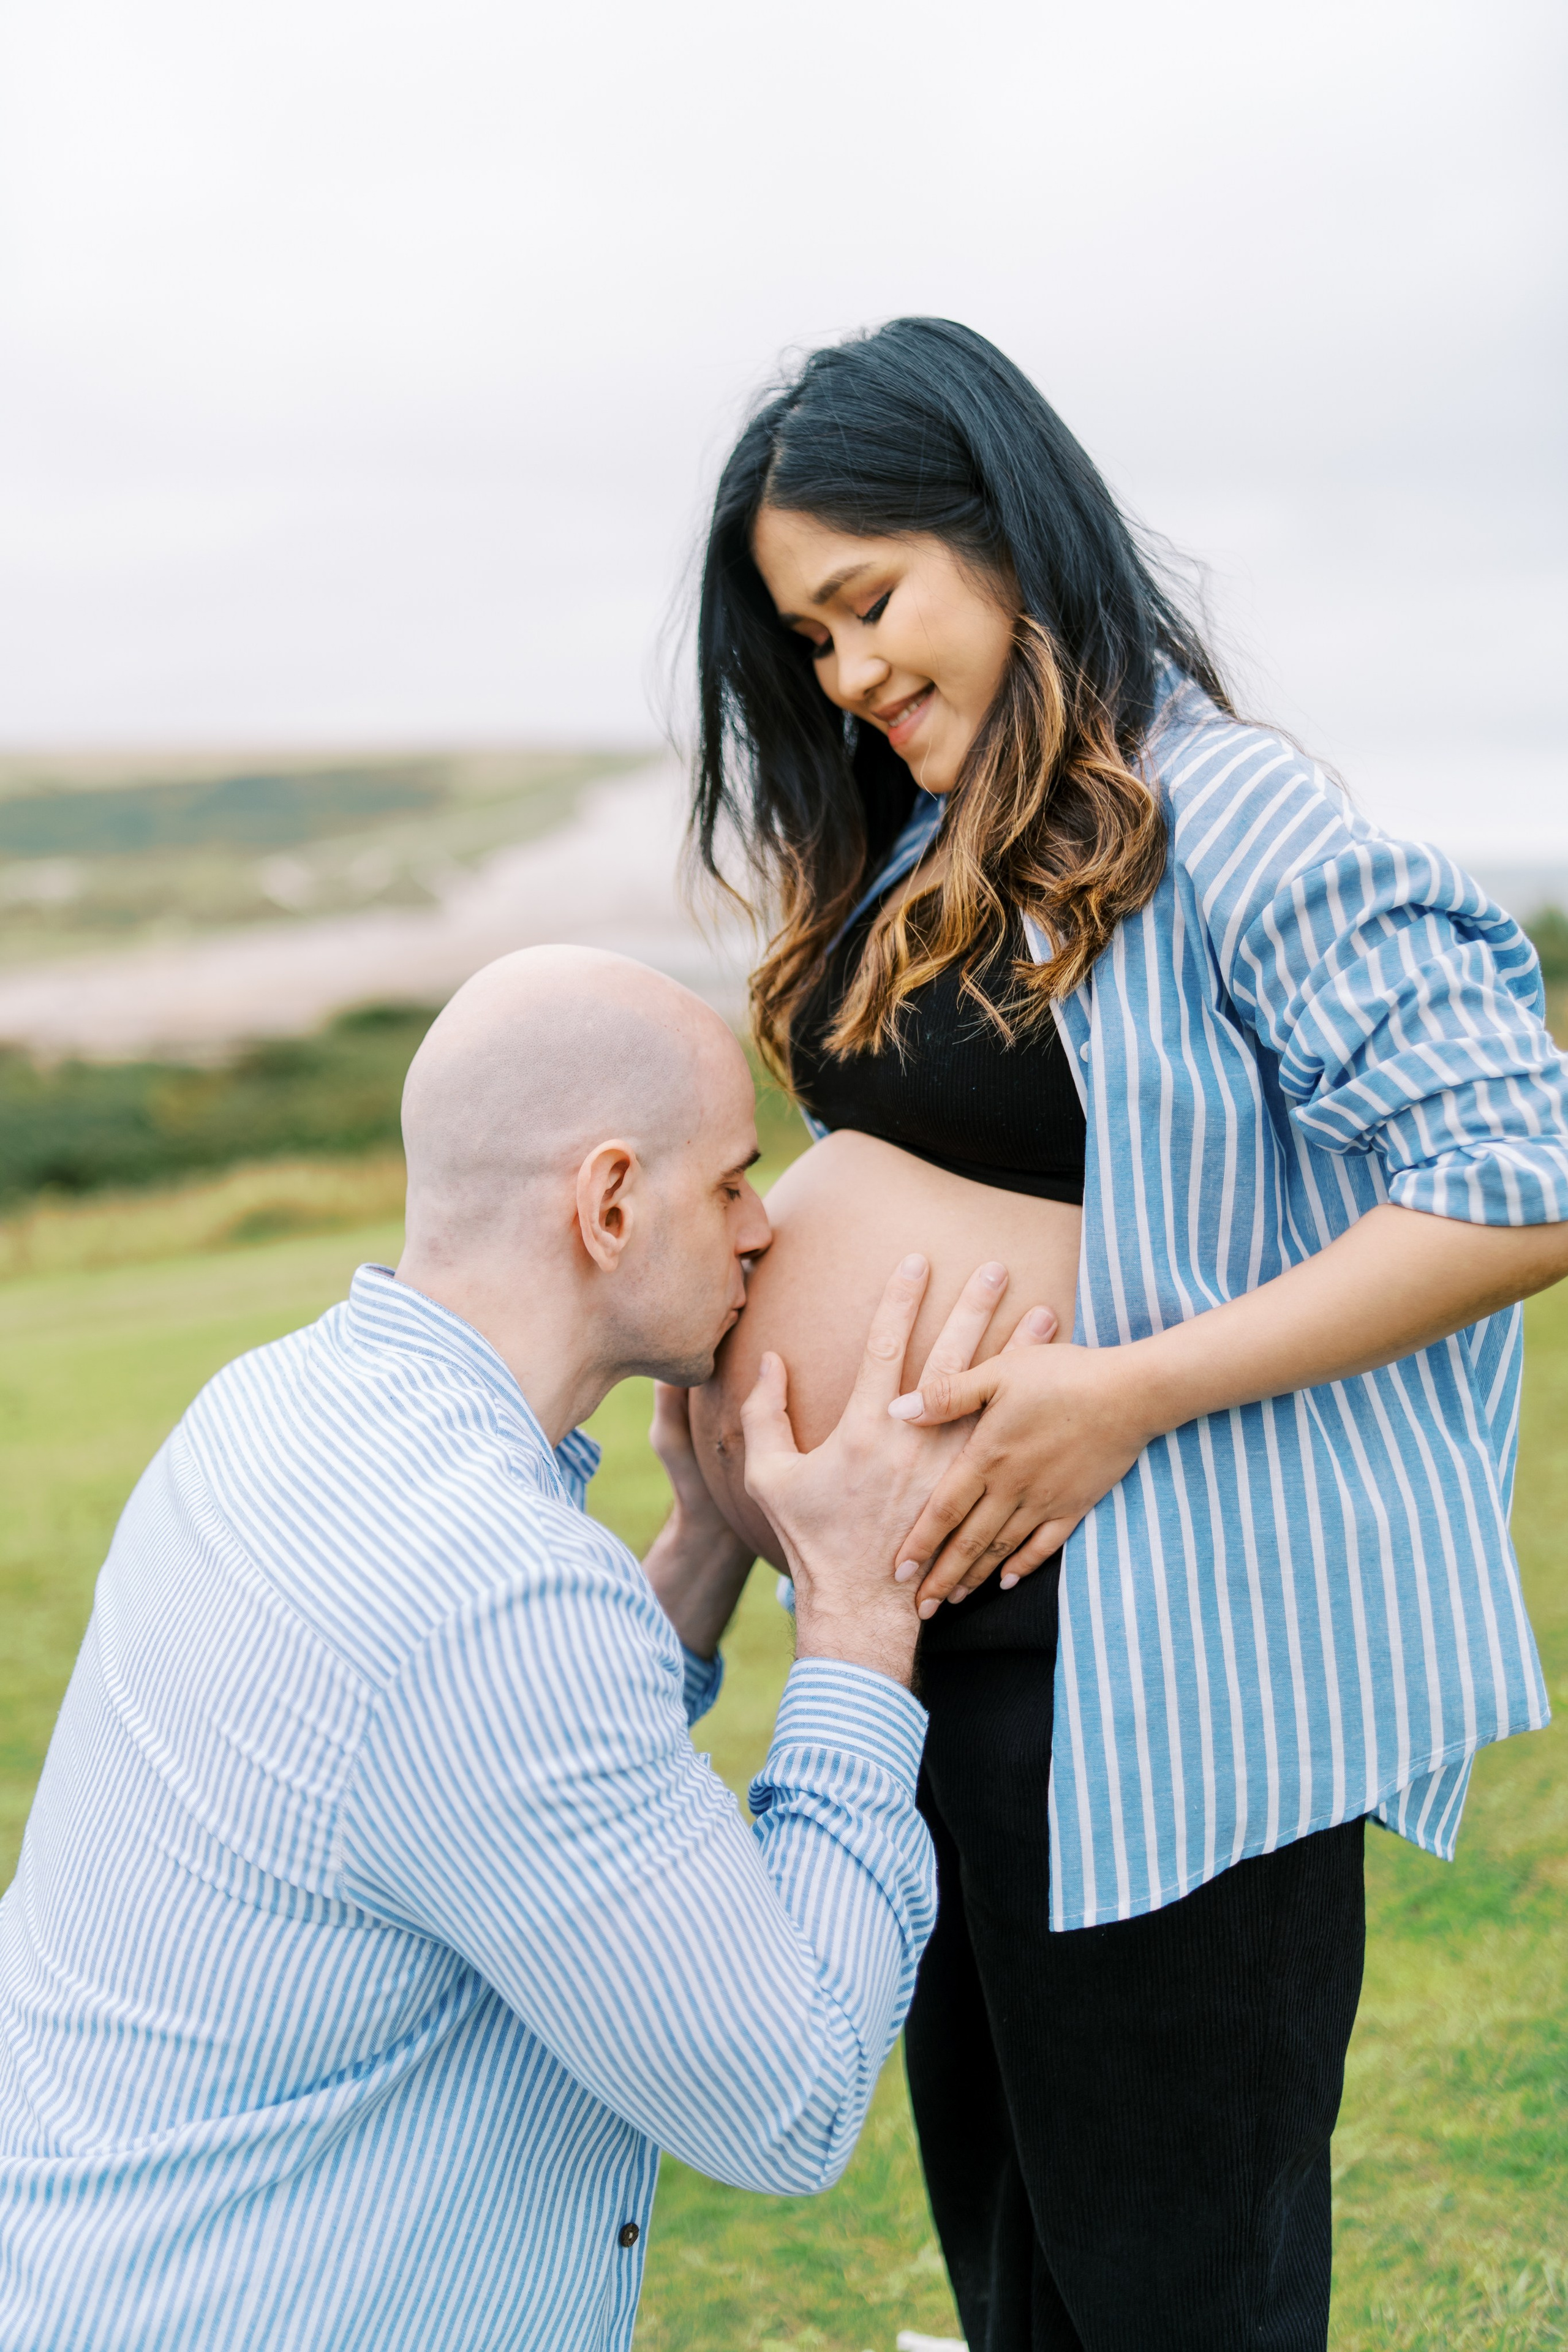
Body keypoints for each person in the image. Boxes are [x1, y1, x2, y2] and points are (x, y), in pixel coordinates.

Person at [685, 317, 1568, 2350]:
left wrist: (1122, 1391)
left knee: (1179, 2281)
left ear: (1005, 528)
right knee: (1017, 2252)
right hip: (929, 1651)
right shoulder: (924, 836)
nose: (843, 677)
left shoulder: (1228, 812)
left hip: (1166, 1672)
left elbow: (1515, 1173)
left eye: (867, 604)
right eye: (805, 640)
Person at [0, 943, 1050, 2352]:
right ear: (609, 1201)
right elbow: (788, 2099)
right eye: (732, 1181)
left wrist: (698, 1544)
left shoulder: (267, 1407)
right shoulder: (488, 1596)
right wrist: (858, 1619)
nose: (761, 1231)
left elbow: (489, 1779)